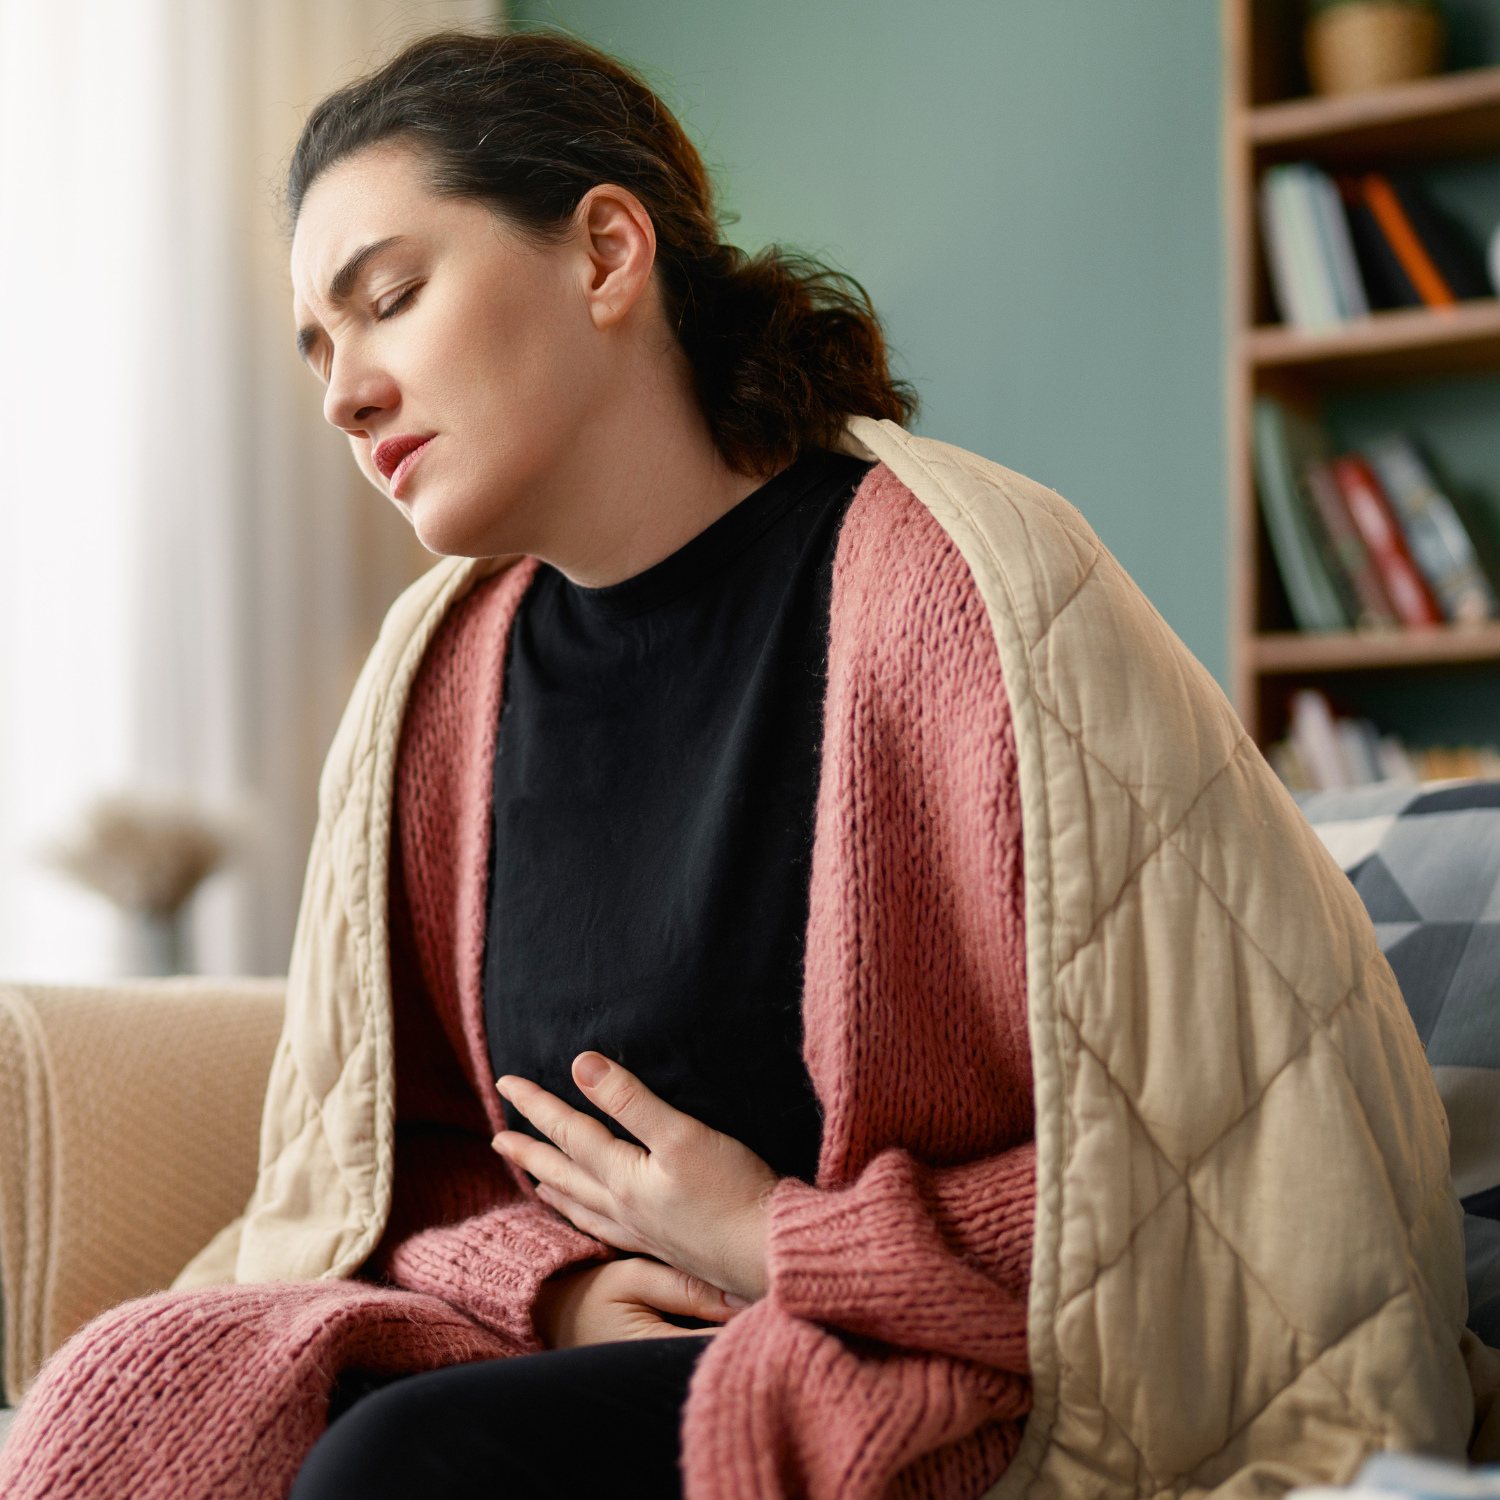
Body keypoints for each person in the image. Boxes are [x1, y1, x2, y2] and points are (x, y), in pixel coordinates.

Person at [0, 27, 1485, 1500]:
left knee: (402, 1462)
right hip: (555, 1348)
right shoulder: (432, 681)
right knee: (137, 1386)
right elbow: (398, 1165)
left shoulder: (969, 595)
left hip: (922, 1368)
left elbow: (1219, 1164)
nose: (345, 394)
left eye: (390, 299)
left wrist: (785, 1240)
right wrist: (555, 1291)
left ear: (604, 252)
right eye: (321, 347)